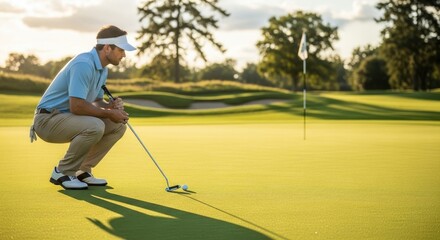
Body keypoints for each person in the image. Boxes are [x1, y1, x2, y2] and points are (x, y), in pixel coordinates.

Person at [30, 25, 136, 190]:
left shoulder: (102, 70)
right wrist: (109, 113)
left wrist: (110, 106)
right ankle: (63, 171)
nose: (124, 55)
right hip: (47, 120)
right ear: (107, 48)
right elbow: (77, 106)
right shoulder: (83, 64)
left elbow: (96, 101)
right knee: (96, 125)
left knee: (117, 126)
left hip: (66, 118)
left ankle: (83, 170)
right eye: (121, 50)